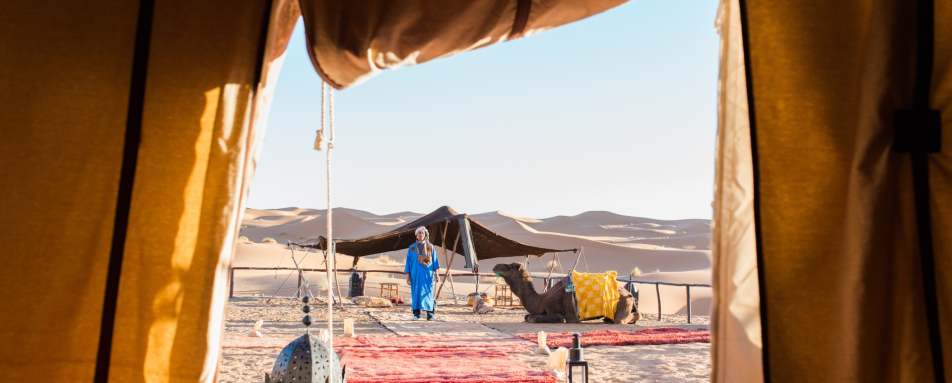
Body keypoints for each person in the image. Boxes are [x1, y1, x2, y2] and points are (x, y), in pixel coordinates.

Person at [404, 226, 439, 320]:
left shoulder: (430, 247)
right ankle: (416, 314)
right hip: (415, 275)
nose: (420, 234)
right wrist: (407, 277)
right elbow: (408, 263)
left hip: (428, 275)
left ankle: (430, 314)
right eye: (419, 233)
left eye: (422, 233)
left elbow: (435, 261)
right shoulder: (411, 248)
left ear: (425, 234)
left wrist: (437, 274)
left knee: (429, 293)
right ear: (416, 235)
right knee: (416, 293)